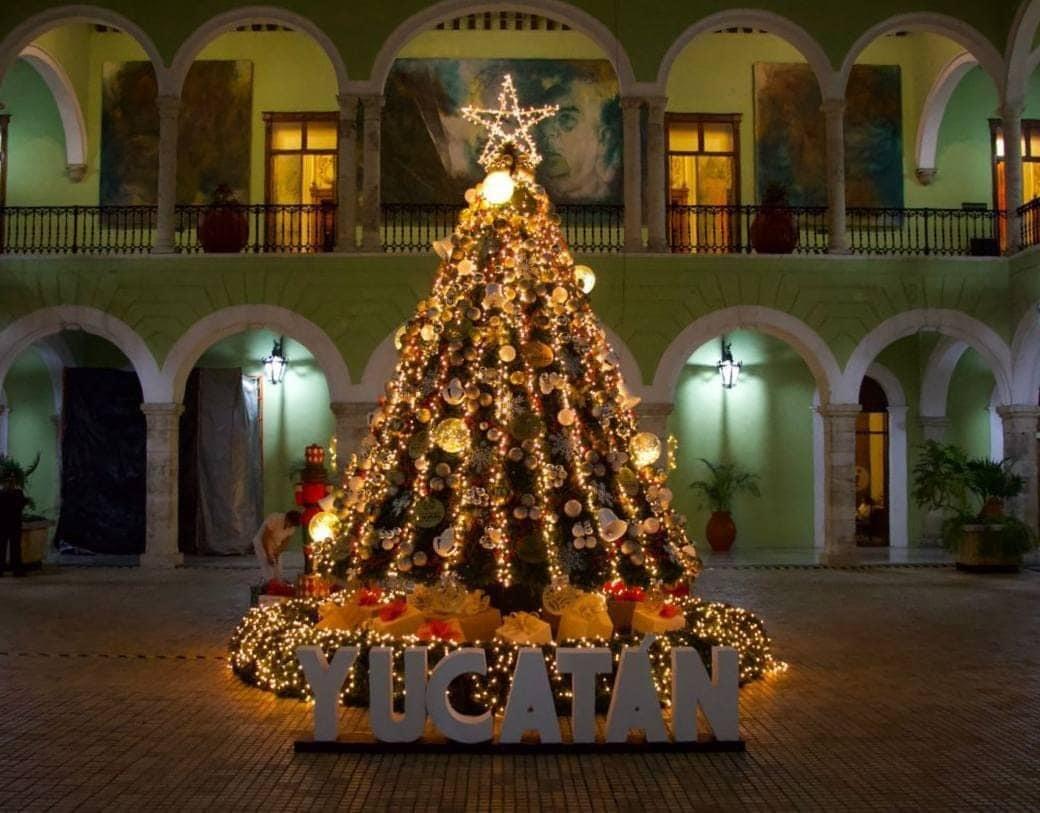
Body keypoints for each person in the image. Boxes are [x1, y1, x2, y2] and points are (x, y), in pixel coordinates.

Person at [253, 510, 302, 583]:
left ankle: (279, 584)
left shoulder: (292, 528)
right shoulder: (275, 518)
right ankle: (269, 584)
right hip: (262, 543)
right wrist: (268, 555)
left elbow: (285, 543)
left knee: (278, 570)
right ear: (287, 518)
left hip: (275, 545)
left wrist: (278, 552)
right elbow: (265, 538)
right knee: (268, 568)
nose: (290, 526)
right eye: (290, 523)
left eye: (293, 525)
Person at [0, 474, 28, 577]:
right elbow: (22, 504)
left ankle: (1, 570)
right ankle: (17, 570)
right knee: (15, 548)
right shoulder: (18, 493)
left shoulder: (1, 494)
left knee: (1, 547)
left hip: (2, 524)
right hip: (14, 524)